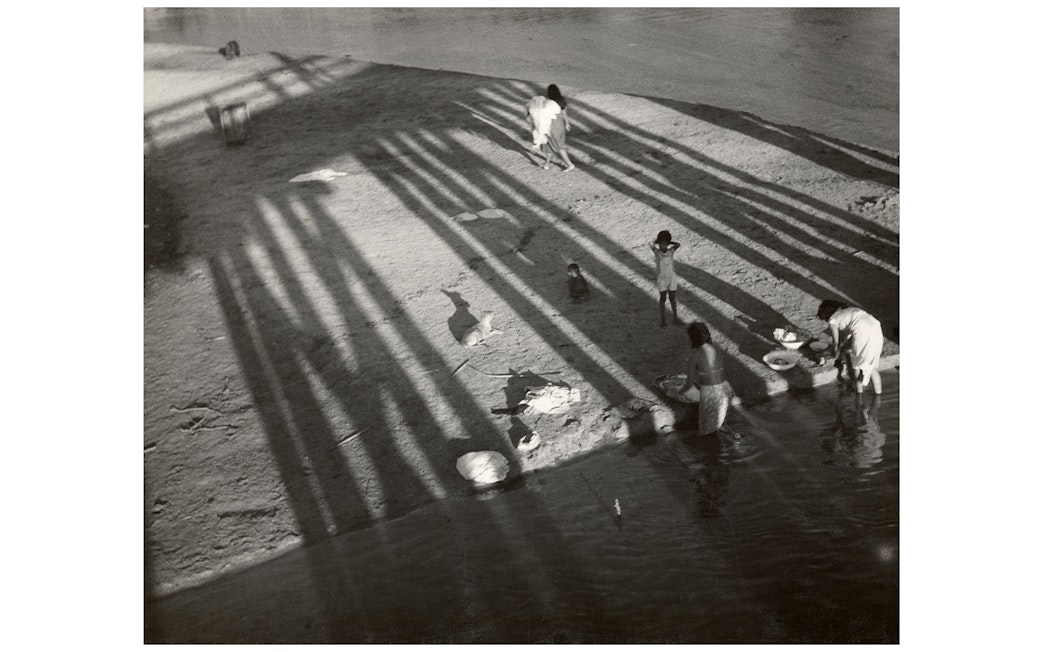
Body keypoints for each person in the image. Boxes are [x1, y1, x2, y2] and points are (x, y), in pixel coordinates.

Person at [817, 299, 884, 395]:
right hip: (876, 328)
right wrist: (842, 346)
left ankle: (859, 394)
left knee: (857, 365)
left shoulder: (833, 320)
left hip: (863, 332)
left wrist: (836, 352)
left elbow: (835, 342)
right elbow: (848, 334)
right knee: (871, 367)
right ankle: (878, 395)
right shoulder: (848, 310)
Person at [679, 322, 734, 436]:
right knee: (719, 420)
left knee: (706, 431)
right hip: (725, 390)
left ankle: (714, 445)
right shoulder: (716, 348)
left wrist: (676, 392)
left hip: (711, 395)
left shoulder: (695, 355)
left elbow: (689, 384)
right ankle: (727, 432)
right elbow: (714, 374)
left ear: (693, 339)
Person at [525, 85, 575, 171]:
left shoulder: (547, 102)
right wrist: (566, 123)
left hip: (552, 125)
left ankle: (569, 164)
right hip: (560, 124)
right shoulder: (561, 100)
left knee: (558, 146)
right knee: (548, 144)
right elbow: (564, 112)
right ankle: (546, 164)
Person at [650, 230, 682, 327]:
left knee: (672, 299)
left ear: (667, 244)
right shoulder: (657, 252)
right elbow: (650, 243)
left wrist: (669, 241)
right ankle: (663, 321)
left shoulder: (671, 251)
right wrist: (659, 241)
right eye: (660, 244)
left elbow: (678, 244)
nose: (661, 246)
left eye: (664, 244)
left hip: (671, 277)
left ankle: (675, 318)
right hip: (662, 279)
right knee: (662, 299)